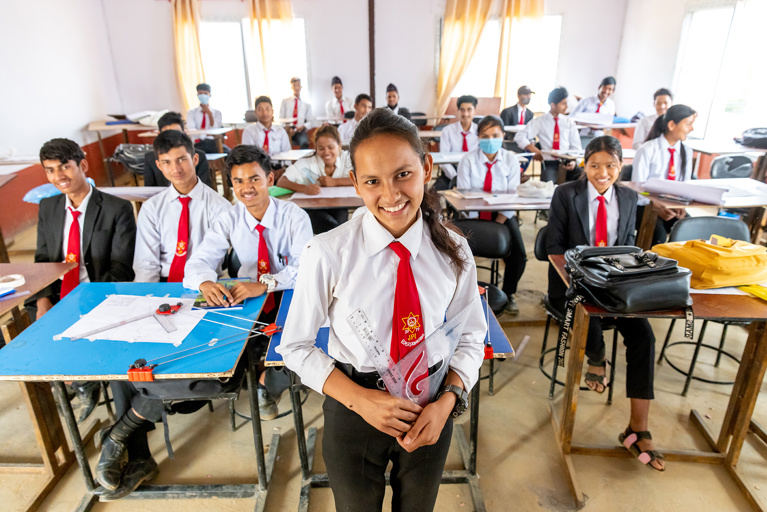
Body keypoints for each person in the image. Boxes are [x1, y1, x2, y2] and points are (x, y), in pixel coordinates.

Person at [278, 107, 486, 512]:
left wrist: (447, 401)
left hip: (430, 401)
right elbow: (296, 346)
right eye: (373, 181)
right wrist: (359, 400)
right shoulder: (328, 252)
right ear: (355, 182)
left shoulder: (454, 249)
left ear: (426, 166)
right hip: (354, 405)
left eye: (403, 175)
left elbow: (472, 334)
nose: (391, 196)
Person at [546, 135, 664, 472]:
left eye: (610, 165)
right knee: (588, 315)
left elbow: (628, 247)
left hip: (615, 285)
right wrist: (579, 281)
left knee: (644, 336)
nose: (603, 172)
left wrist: (627, 280)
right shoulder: (566, 194)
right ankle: (596, 356)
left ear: (621, 166)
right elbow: (554, 247)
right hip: (574, 282)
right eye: (595, 165)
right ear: (584, 165)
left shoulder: (629, 198)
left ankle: (638, 428)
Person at [27, 138, 136, 423]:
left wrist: (86, 305)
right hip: (58, 294)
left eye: (65, 167)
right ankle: (74, 381)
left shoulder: (117, 209)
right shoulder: (49, 208)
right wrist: (43, 301)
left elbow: (121, 270)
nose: (58, 177)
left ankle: (83, 380)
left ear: (83, 165)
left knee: (87, 331)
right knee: (30, 328)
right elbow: (43, 260)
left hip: (98, 296)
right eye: (50, 170)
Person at [133, 130, 232, 283]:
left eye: (181, 159)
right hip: (163, 282)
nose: (176, 169)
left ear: (195, 159)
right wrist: (145, 299)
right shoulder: (151, 208)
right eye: (166, 162)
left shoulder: (219, 207)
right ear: (159, 165)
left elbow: (215, 258)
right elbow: (146, 265)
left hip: (206, 282)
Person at [457, 115, 526, 315]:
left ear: (503, 135)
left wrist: (499, 222)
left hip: (502, 213)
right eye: (485, 135)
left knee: (519, 255)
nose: (490, 140)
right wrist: (478, 224)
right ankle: (462, 293)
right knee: (457, 250)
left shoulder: (511, 160)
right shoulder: (468, 160)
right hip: (473, 213)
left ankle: (509, 293)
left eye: (495, 135)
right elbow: (464, 196)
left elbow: (512, 195)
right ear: (477, 137)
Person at [632, 104, 697, 245]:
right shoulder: (647, 150)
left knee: (692, 230)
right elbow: (638, 189)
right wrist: (655, 204)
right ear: (672, 125)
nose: (691, 129)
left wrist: (681, 205)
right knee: (658, 238)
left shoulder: (687, 152)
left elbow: (684, 186)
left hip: (672, 206)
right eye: (688, 124)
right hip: (646, 205)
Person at [277, 125, 353, 233]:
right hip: (313, 208)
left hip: (339, 205)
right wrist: (304, 189)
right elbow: (281, 181)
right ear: (315, 148)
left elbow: (362, 178)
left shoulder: (347, 158)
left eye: (330, 147)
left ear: (339, 145)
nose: (326, 152)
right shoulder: (309, 160)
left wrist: (335, 182)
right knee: (335, 229)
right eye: (321, 148)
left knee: (340, 223)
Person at [514, 87, 582, 183]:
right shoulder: (540, 121)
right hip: (549, 162)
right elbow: (520, 136)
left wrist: (573, 161)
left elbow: (576, 146)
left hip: (568, 161)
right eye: (563, 103)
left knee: (581, 179)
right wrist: (534, 150)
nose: (566, 106)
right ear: (553, 105)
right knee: (548, 186)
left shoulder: (569, 122)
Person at [142, 111, 213, 189]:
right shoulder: (150, 158)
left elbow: (205, 187)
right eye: (166, 162)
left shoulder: (199, 156)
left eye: (177, 132)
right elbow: (149, 190)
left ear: (184, 133)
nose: (175, 169)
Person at [433, 95, 479, 191]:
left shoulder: (480, 131)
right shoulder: (448, 130)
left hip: (474, 172)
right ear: (458, 111)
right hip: (452, 172)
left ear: (475, 111)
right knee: (433, 195)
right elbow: (443, 160)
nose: (465, 113)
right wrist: (456, 178)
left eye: (469, 110)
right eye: (462, 110)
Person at [186, 83, 228, 154]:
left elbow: (215, 130)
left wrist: (209, 114)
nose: (203, 96)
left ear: (209, 95)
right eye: (200, 93)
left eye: (205, 93)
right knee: (197, 153)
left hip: (213, 143)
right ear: (197, 95)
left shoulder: (217, 113)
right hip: (198, 143)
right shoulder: (191, 113)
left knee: (229, 153)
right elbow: (192, 130)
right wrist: (206, 134)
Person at [500, 86, 535, 156]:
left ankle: (522, 167)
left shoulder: (530, 114)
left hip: (524, 143)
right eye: (525, 94)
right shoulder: (507, 112)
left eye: (529, 94)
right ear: (518, 96)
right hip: (510, 143)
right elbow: (504, 130)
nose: (528, 97)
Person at [279, 77, 313, 149]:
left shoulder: (306, 103)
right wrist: (287, 128)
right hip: (287, 129)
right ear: (291, 87)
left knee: (304, 142)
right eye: (294, 85)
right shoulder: (285, 102)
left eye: (298, 85)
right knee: (282, 144)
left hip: (300, 130)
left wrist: (303, 127)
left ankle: (304, 160)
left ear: (301, 87)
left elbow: (310, 121)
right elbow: (281, 118)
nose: (296, 88)